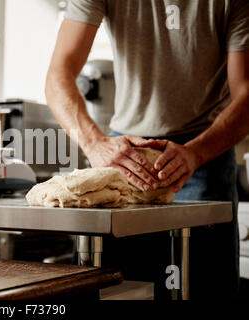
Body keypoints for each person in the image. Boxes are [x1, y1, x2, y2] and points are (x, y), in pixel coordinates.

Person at [45, 0, 249, 299]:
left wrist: (194, 153)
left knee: (206, 285)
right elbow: (58, 76)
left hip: (204, 154)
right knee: (117, 285)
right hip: (123, 157)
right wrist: (95, 144)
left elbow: (245, 94)